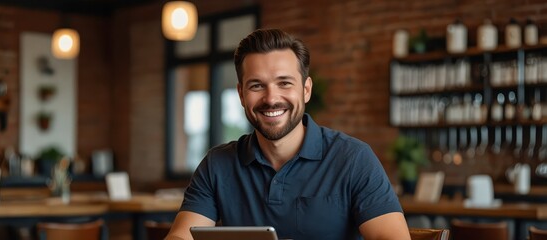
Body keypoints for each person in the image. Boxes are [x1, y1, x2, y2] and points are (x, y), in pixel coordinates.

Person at [165, 28, 410, 240]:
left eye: (284, 83)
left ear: (306, 90)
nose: (271, 98)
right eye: (257, 85)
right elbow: (182, 234)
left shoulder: (353, 158)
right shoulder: (217, 164)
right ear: (241, 94)